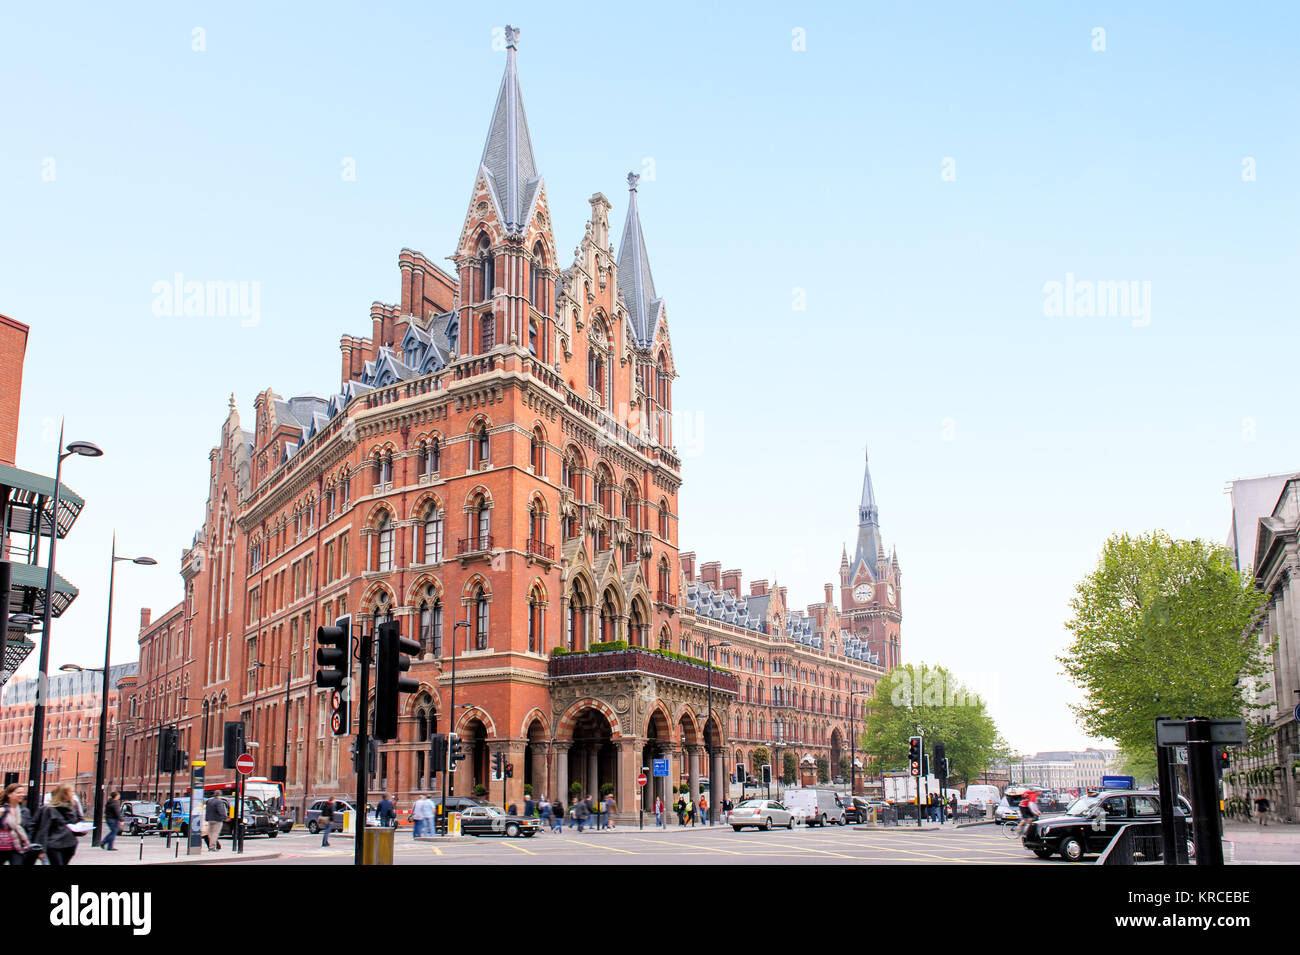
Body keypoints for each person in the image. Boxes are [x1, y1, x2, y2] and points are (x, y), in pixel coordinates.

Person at [35, 784, 83, 866]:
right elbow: (44, 830)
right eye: (70, 792)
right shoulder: (49, 809)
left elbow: (75, 824)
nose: (73, 794)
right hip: (54, 845)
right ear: (63, 794)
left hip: (70, 844)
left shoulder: (73, 807)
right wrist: (42, 850)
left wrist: (81, 830)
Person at [0, 783, 36, 865]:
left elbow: (28, 828)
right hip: (1, 847)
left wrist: (28, 843)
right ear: (9, 794)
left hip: (17, 847)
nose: (22, 795)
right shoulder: (2, 809)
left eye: (22, 792)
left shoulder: (24, 811)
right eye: (18, 793)